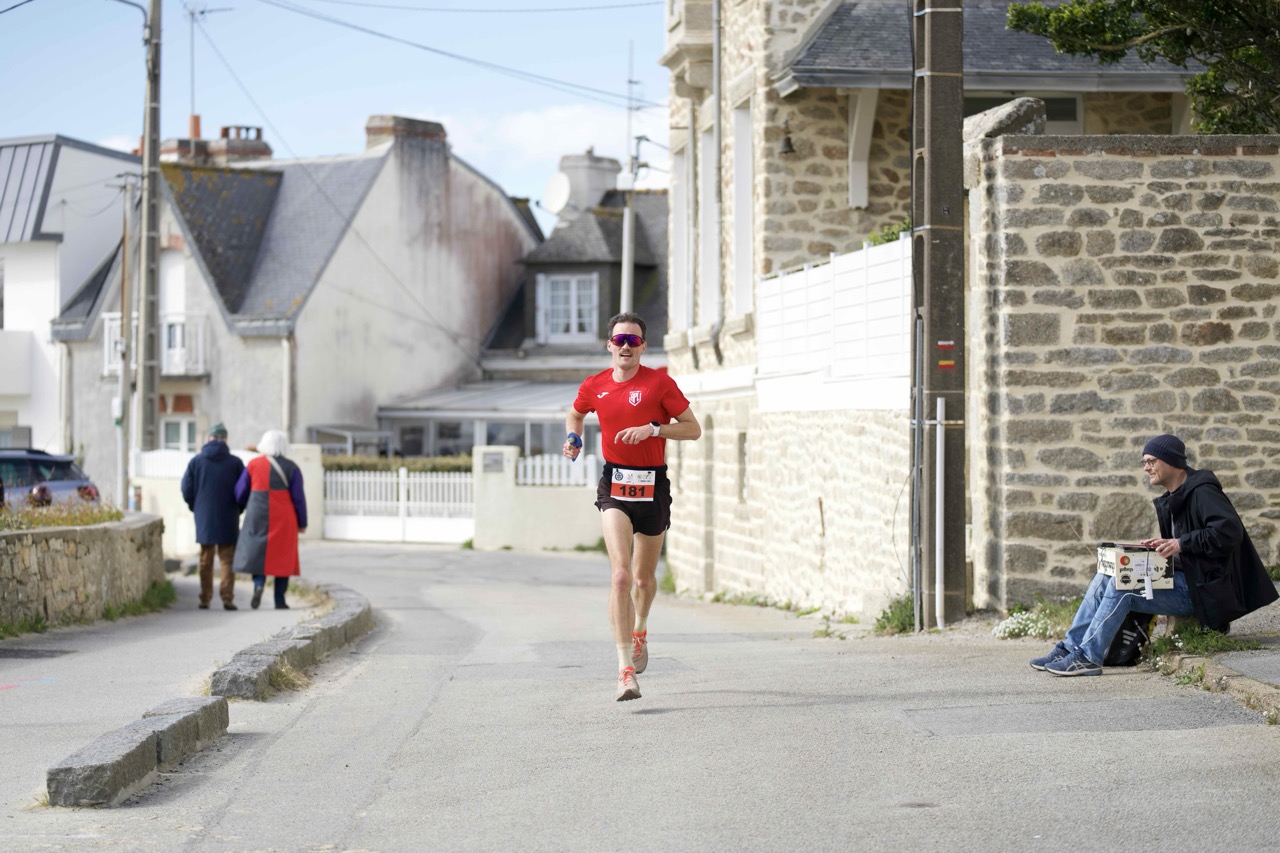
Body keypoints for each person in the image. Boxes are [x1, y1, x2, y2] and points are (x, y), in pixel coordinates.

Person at [1032, 434, 1278, 676]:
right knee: (1107, 574)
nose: (1146, 468)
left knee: (1123, 587)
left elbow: (1228, 532)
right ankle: (1070, 647)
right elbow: (1188, 546)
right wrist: (1158, 547)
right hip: (1188, 580)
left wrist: (1180, 543)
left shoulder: (1203, 491)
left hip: (1205, 591)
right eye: (1144, 462)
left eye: (1151, 461)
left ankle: (1087, 657)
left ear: (1172, 461)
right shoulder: (1176, 495)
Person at [563, 312, 702, 701]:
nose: (626, 346)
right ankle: (625, 670)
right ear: (609, 345)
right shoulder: (595, 385)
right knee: (621, 577)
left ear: (643, 347)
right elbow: (575, 413)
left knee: (643, 580)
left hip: (653, 485)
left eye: (634, 341)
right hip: (615, 485)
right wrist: (574, 438)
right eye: (620, 340)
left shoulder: (659, 384)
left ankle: (640, 629)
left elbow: (693, 428)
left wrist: (654, 429)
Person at [232, 430, 307, 610]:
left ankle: (258, 584)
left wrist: (244, 505)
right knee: (283, 555)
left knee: (257, 552)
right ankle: (279, 600)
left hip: (257, 513)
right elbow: (298, 498)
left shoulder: (253, 464)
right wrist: (302, 522)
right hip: (284, 517)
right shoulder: (292, 468)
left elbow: (240, 492)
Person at [180, 423, 246, 611]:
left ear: (208, 438)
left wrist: (195, 506)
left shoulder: (196, 461)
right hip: (229, 514)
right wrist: (239, 508)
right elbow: (243, 490)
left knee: (205, 558)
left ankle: (205, 598)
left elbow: (186, 489)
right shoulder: (235, 463)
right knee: (227, 559)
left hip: (205, 516)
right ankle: (227, 598)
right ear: (225, 439)